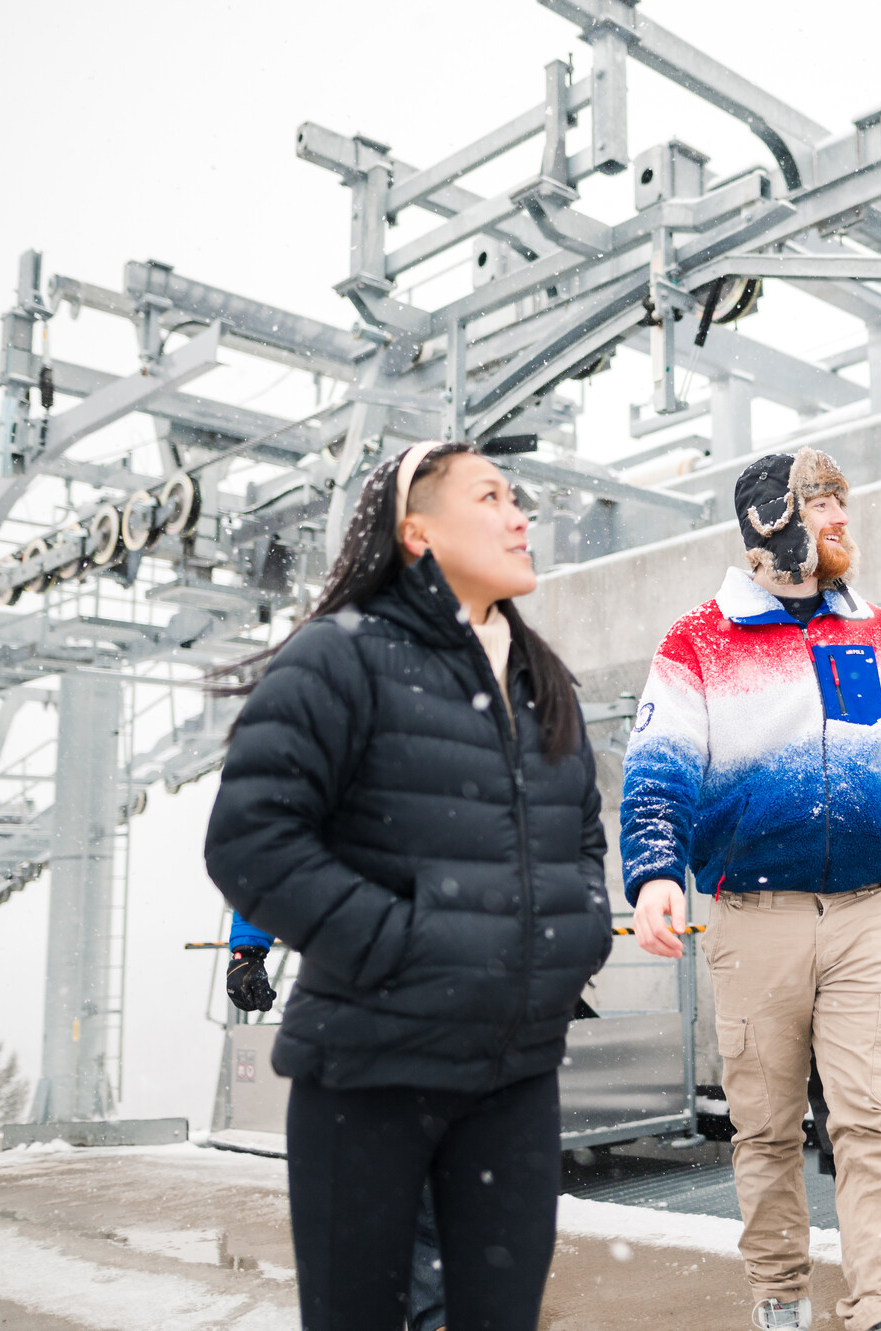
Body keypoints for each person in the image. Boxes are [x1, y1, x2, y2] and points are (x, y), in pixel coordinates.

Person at [206, 440, 611, 1331]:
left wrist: (577, 934)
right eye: (491, 495)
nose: (520, 516)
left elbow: (583, 837)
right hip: (370, 1073)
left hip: (515, 1078)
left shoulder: (544, 682)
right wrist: (406, 946)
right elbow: (251, 839)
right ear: (416, 530)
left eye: (519, 499)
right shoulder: (338, 659)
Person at [620, 449, 881, 1331]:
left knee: (873, 1122)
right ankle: (780, 1292)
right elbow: (658, 772)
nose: (841, 519)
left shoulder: (873, 628)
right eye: (823, 503)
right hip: (754, 918)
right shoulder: (698, 640)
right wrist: (655, 874)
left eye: (842, 500)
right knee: (764, 1127)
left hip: (873, 911)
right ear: (774, 523)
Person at [222, 918, 446, 1331]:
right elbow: (263, 856)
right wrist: (248, 950)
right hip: (350, 987)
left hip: (453, 985)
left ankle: (434, 1316)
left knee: (428, 1175)